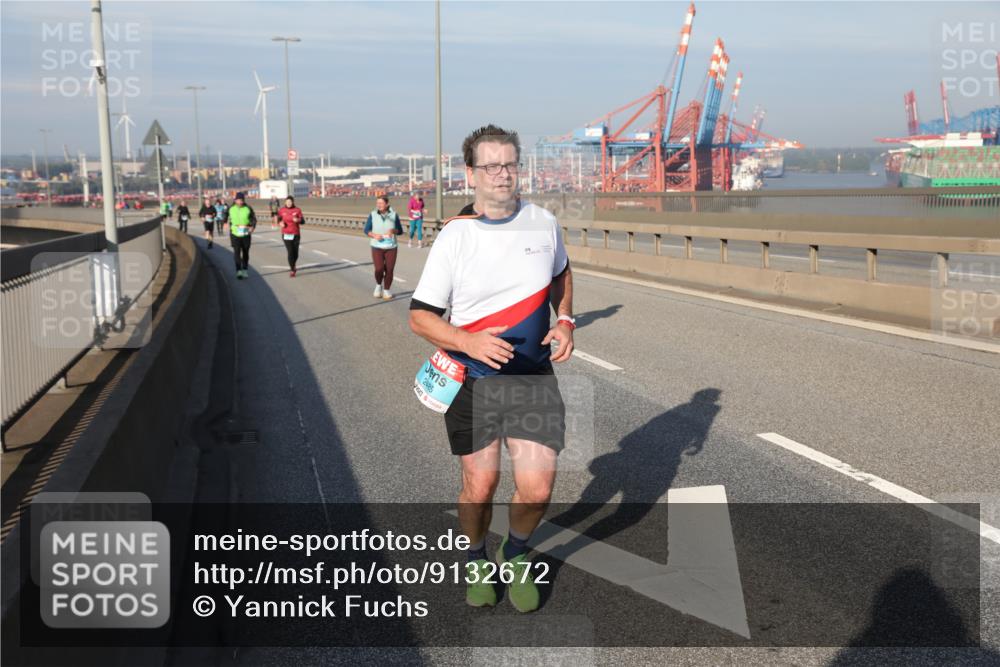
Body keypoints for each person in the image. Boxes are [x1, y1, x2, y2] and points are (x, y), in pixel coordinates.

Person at [409, 124, 575, 613]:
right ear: (470, 174)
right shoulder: (455, 237)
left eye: (509, 164)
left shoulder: (543, 222)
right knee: (480, 487)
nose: (502, 174)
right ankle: (477, 558)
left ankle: (516, 553)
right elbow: (419, 316)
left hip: (531, 379)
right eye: (490, 166)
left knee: (538, 488)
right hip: (474, 381)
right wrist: (467, 341)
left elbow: (562, 272)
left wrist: (565, 319)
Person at [364, 194, 403, 300]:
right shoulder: (373, 214)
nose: (379, 205)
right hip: (376, 246)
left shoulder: (394, 215)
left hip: (391, 246)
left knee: (389, 269)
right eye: (377, 203)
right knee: (379, 269)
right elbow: (366, 230)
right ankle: (378, 285)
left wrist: (393, 231)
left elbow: (400, 231)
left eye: (381, 203)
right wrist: (374, 235)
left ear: (387, 204)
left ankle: (386, 290)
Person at [225, 192, 257, 279]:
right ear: (235, 200)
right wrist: (225, 222)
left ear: (243, 200)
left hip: (246, 233)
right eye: (238, 200)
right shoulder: (231, 208)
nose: (240, 202)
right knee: (237, 252)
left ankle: (245, 269)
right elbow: (225, 214)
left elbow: (253, 219)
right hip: (235, 233)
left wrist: (252, 227)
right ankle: (238, 270)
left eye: (241, 200)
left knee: (245, 252)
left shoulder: (248, 208)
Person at [276, 196, 304, 277]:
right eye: (287, 202)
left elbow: (303, 221)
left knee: (296, 253)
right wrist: (280, 223)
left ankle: (293, 264)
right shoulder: (282, 210)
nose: (289, 203)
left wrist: (298, 220)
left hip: (296, 234)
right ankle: (292, 269)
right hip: (286, 234)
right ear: (285, 202)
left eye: (290, 202)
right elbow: (278, 219)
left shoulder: (297, 210)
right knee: (290, 252)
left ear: (293, 202)